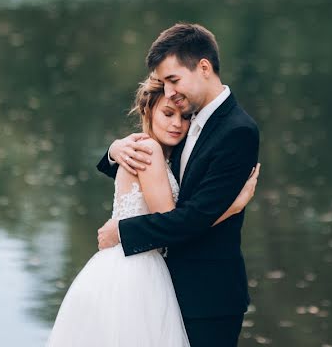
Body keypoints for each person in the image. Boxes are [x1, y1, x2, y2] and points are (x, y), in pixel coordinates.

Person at [46, 75, 259, 347]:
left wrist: (113, 150)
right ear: (148, 111)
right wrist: (233, 207)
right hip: (137, 272)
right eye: (168, 113)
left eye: (184, 117)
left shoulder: (163, 150)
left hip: (136, 267)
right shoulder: (149, 150)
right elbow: (171, 221)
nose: (176, 124)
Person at [97, 22, 260, 347]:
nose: (170, 92)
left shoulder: (236, 131)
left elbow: (192, 218)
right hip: (164, 288)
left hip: (208, 298)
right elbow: (158, 183)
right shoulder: (187, 119)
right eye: (164, 83)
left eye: (173, 80)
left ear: (203, 68)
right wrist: (114, 152)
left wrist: (123, 231)